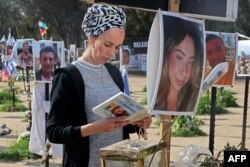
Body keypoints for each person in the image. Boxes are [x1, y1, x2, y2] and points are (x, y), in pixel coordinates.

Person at [46, 4, 152, 167]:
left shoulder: (114, 73)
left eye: (117, 47)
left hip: (119, 162)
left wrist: (137, 123)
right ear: (92, 40)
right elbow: (53, 132)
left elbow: (120, 123)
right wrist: (92, 128)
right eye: (108, 44)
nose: (112, 53)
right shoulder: (67, 77)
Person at [154, 16, 203, 112]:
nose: (185, 71)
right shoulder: (153, 101)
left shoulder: (193, 101)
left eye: (191, 62)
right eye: (179, 58)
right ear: (166, 54)